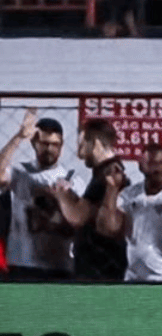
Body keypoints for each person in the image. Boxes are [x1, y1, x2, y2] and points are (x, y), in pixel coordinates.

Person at [98, 143, 162, 282]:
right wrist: (112, 188)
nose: (158, 168)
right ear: (141, 166)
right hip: (136, 279)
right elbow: (107, 229)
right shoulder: (129, 194)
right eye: (152, 163)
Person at [0, 110, 81, 280]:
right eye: (44, 143)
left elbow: (79, 220)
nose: (49, 149)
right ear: (34, 143)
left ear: (61, 145)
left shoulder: (73, 178)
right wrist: (19, 136)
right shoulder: (20, 172)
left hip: (59, 264)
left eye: (55, 144)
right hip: (23, 264)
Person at [47, 118, 127, 280]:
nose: (80, 153)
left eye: (82, 145)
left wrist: (60, 194)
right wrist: (70, 196)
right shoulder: (106, 172)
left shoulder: (107, 174)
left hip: (99, 268)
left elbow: (78, 217)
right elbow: (89, 212)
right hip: (99, 266)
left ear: (96, 144)